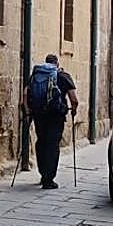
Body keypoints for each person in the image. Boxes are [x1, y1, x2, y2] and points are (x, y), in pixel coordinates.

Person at [22, 54, 79, 189]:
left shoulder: (36, 75)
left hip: (39, 115)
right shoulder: (63, 76)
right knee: (52, 145)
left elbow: (25, 93)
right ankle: (49, 179)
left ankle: (43, 174)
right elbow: (74, 99)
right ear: (57, 64)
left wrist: (27, 110)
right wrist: (73, 110)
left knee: (41, 141)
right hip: (56, 116)